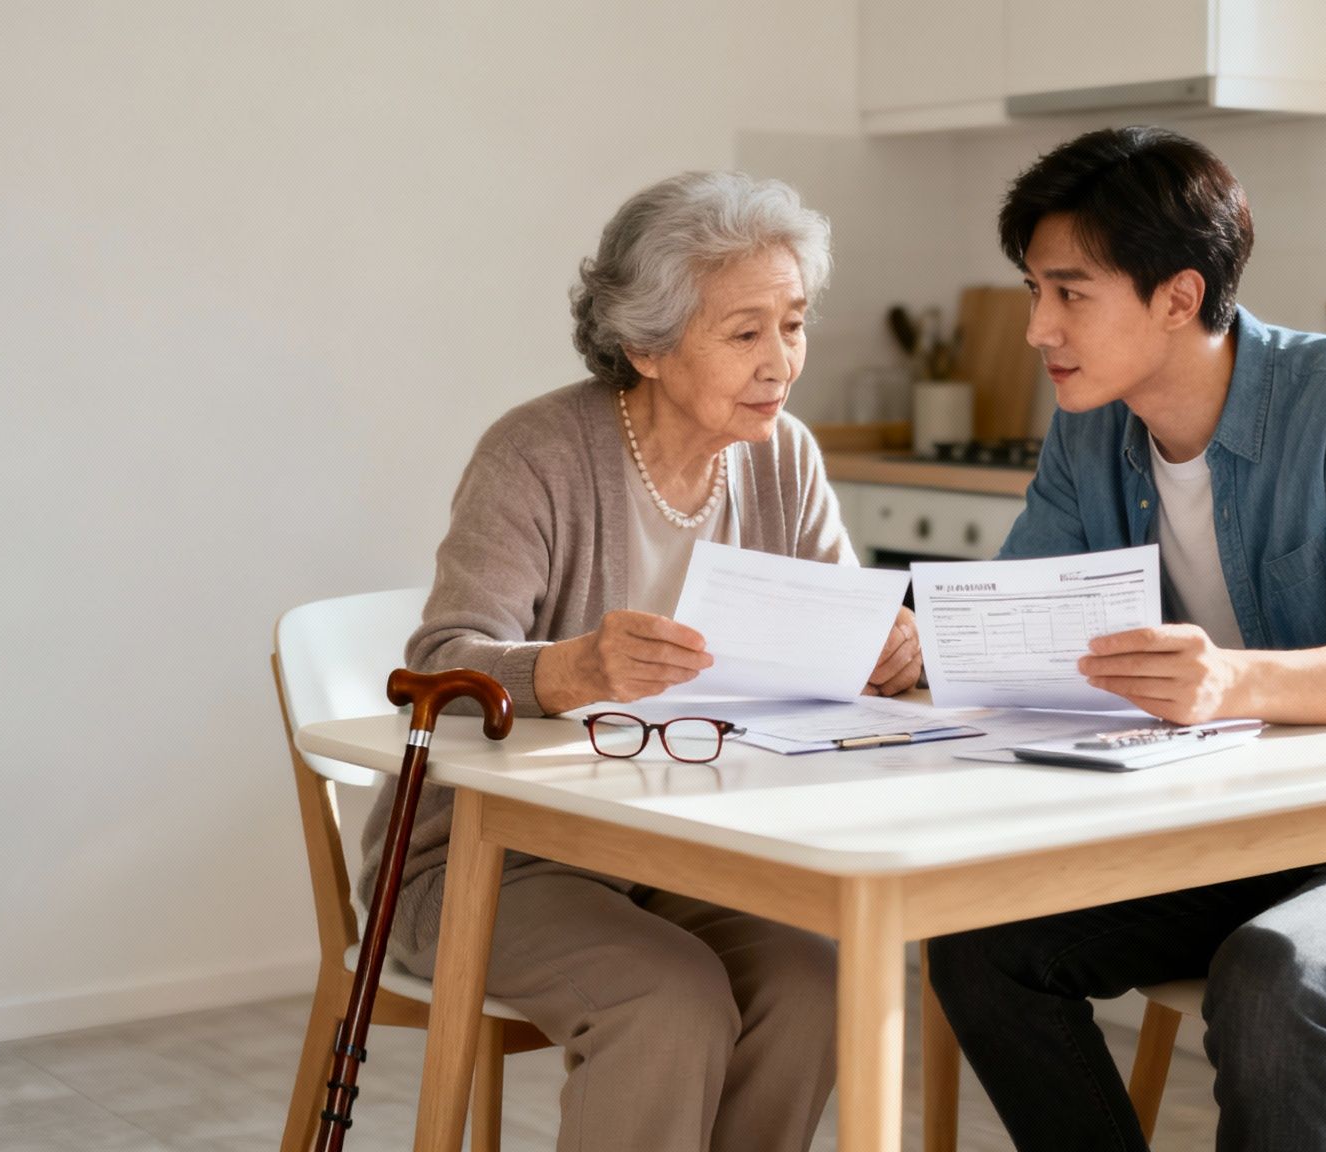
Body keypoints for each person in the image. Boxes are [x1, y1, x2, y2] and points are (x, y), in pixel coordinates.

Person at [925, 126, 1326, 1152]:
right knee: (976, 941)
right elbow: (1019, 608)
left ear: (1177, 296)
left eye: (1067, 292)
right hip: (1240, 838)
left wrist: (1226, 681)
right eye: (1032, 290)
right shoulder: (1091, 426)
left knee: (1273, 974)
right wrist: (922, 643)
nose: (1037, 327)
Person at [362, 170, 922, 1152]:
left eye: (791, 324)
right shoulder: (536, 453)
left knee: (808, 983)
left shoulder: (782, 455)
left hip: (672, 849)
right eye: (743, 332)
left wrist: (884, 652)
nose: (780, 362)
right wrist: (572, 670)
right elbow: (443, 668)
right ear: (646, 346)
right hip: (489, 857)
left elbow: (838, 635)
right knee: (667, 1001)